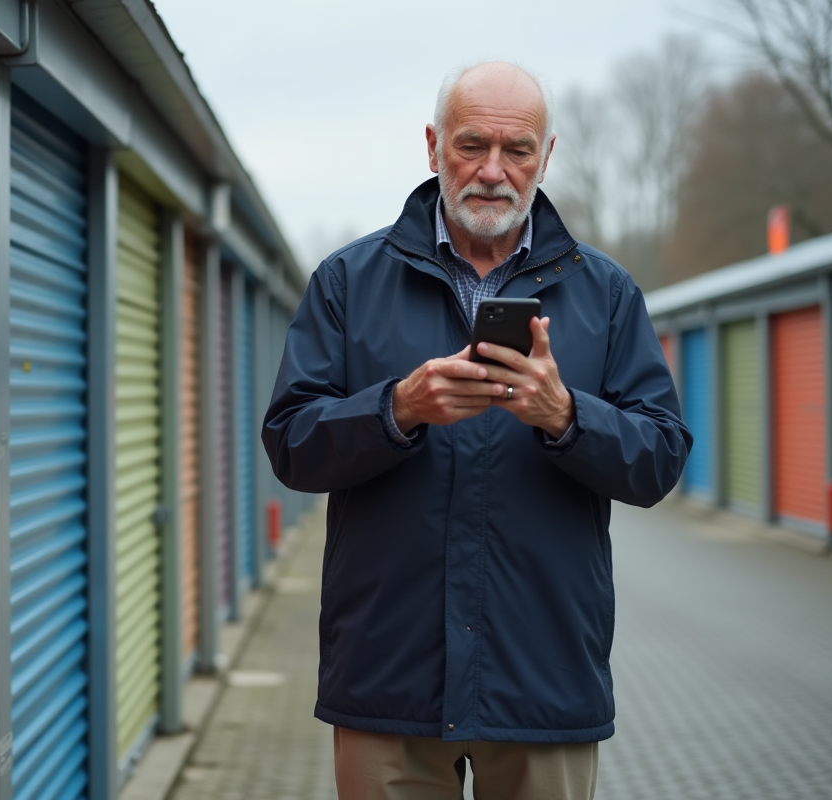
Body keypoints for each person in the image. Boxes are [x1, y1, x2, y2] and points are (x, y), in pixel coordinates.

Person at [261, 62, 691, 800]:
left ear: (546, 157)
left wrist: (567, 416)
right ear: (433, 147)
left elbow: (659, 460)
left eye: (517, 150)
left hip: (544, 681)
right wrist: (396, 408)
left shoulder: (608, 294)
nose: (494, 171)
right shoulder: (347, 282)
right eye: (472, 144)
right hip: (386, 681)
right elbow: (291, 443)